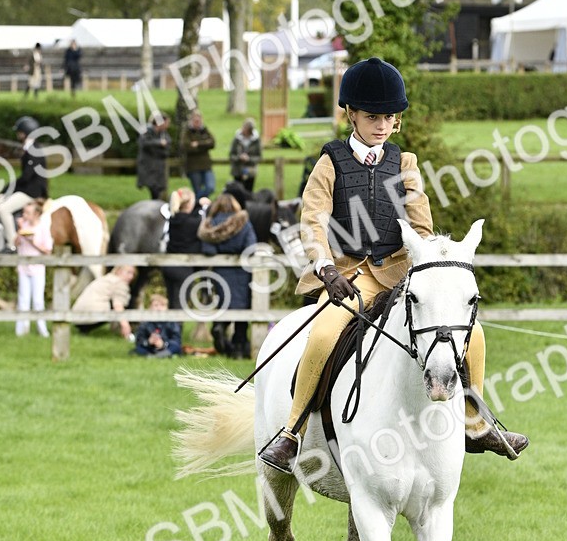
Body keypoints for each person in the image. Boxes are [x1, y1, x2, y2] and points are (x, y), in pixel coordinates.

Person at [259, 55, 529, 473]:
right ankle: (292, 433)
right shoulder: (330, 162)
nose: (381, 125)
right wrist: (325, 268)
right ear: (350, 114)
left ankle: (475, 422)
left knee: (470, 331)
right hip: (347, 277)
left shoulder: (404, 164)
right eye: (371, 117)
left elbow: (421, 223)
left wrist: (429, 264)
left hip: (400, 273)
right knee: (325, 332)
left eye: (388, 117)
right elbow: (311, 220)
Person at [198, 190, 258, 358]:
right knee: (242, 308)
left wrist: (220, 251)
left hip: (221, 273)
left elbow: (207, 250)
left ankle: (220, 326)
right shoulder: (243, 222)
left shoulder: (210, 224)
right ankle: (239, 348)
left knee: (224, 304)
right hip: (242, 273)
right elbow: (250, 248)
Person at [0, 117, 49, 251]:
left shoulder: (33, 150)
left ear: (26, 132)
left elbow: (26, 177)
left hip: (32, 191)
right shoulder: (30, 148)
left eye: (20, 132)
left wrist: (8, 188)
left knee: (3, 209)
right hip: (28, 188)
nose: (18, 135)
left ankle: (12, 243)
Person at [162, 187, 205, 311]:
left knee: (172, 303)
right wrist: (200, 205)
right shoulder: (192, 223)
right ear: (189, 204)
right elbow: (199, 220)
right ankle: (175, 330)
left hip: (168, 266)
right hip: (183, 269)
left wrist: (196, 204)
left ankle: (169, 330)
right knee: (180, 307)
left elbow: (191, 215)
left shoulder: (173, 220)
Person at [14, 201, 50, 337]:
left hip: (38, 268)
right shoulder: (23, 226)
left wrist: (32, 242)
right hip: (23, 267)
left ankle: (42, 329)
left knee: (37, 300)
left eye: (27, 212)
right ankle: (21, 330)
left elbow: (47, 250)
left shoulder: (43, 228)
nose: (24, 215)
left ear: (36, 214)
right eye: (24, 212)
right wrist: (19, 232)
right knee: (23, 298)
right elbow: (15, 243)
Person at [72, 265, 136, 338]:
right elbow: (118, 306)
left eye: (133, 274)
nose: (131, 277)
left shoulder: (105, 278)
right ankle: (121, 331)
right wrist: (126, 326)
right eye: (128, 273)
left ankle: (84, 330)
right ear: (118, 271)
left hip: (75, 318)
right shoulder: (120, 283)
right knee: (120, 303)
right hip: (92, 316)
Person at [132, 293, 182, 358]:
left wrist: (163, 344)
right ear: (150, 307)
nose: (159, 308)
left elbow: (176, 340)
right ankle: (151, 356)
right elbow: (139, 340)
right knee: (138, 349)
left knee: (175, 347)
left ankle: (161, 355)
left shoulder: (172, 322)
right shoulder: (145, 323)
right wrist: (149, 342)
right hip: (150, 347)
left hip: (166, 346)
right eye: (156, 305)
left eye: (162, 305)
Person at [183, 110, 216, 201]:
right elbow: (186, 146)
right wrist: (204, 145)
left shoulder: (205, 130)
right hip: (193, 167)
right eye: (195, 121)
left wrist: (198, 144)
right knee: (197, 189)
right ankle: (201, 206)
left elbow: (212, 143)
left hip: (206, 165)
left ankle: (196, 201)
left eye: (199, 121)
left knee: (210, 187)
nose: (197, 123)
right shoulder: (187, 132)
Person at [137, 114, 171, 201]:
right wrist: (159, 143)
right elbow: (144, 144)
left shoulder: (163, 134)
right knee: (153, 189)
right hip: (149, 167)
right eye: (166, 123)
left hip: (159, 167)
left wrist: (157, 147)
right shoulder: (146, 132)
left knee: (158, 190)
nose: (168, 125)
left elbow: (167, 147)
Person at [229, 118, 262, 193]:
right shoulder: (237, 139)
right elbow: (231, 155)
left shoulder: (256, 140)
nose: (243, 129)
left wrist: (249, 159)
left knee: (248, 192)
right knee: (237, 191)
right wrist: (239, 158)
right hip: (238, 170)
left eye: (245, 128)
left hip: (250, 171)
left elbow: (259, 157)